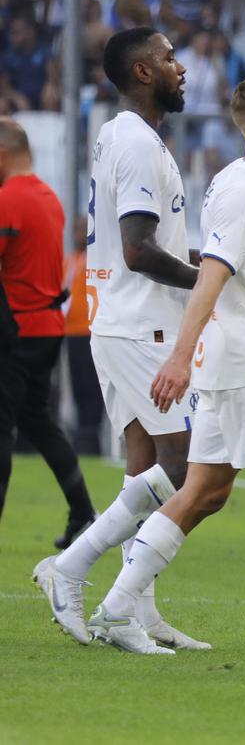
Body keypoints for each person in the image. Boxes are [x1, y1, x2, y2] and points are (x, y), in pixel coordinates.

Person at [81, 76, 245, 656]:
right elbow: (212, 276)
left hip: (237, 363)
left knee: (204, 491)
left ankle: (117, 607)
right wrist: (179, 357)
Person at [32, 28, 207, 652]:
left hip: (121, 320)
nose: (179, 67)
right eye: (167, 58)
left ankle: (136, 609)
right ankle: (71, 568)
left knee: (143, 464)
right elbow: (138, 250)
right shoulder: (134, 142)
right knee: (184, 465)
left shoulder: (121, 133)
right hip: (141, 324)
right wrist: (208, 281)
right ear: (141, 71)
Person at [0, 119, 96, 544]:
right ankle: (82, 510)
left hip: (15, 331)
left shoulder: (8, 199)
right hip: (48, 328)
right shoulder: (49, 197)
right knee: (39, 422)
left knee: (5, 428)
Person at [63, 215, 104, 457]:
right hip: (70, 332)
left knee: (92, 386)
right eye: (77, 229)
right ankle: (82, 435)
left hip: (90, 331)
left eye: (83, 229)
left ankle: (91, 438)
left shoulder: (96, 263)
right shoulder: (68, 262)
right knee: (78, 384)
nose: (79, 234)